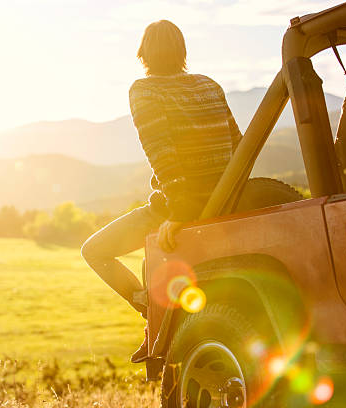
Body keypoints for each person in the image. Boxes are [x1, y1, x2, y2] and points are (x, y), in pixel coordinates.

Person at [80, 20, 242, 362]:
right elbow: (239, 144)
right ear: (182, 51)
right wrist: (227, 196)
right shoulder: (210, 85)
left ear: (144, 54)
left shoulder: (144, 91)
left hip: (180, 205)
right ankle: (153, 319)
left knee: (93, 251)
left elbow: (163, 156)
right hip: (226, 199)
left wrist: (180, 214)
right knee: (145, 257)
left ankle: (149, 312)